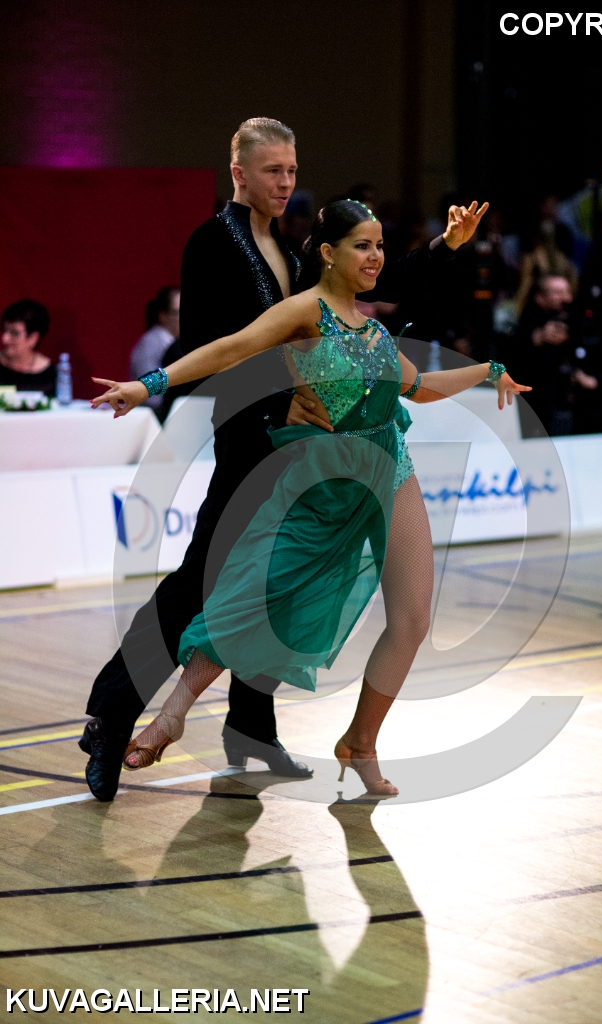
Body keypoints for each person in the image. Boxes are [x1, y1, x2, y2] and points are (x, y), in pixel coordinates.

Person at [80, 116, 488, 804]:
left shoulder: (297, 248)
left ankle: (250, 727)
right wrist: (260, 390)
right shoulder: (213, 243)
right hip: (251, 438)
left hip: (305, 451)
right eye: (273, 171)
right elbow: (217, 346)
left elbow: (367, 286)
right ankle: (112, 717)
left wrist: (445, 247)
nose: (286, 182)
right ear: (239, 172)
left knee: (283, 584)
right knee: (202, 582)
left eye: (292, 170)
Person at [510, 273, 596, 436]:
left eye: (567, 292)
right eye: (557, 292)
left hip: (576, 409)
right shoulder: (524, 329)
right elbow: (510, 360)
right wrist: (537, 339)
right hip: (534, 410)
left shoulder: (579, 324)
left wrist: (588, 378)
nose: (565, 298)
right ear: (540, 298)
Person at [128, 287, 180, 414]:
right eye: (179, 312)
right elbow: (150, 395)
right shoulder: (151, 344)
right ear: (162, 315)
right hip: (156, 416)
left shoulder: (177, 343)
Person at [0, 299, 55, 396]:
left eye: (14, 333)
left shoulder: (49, 375)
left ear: (33, 338)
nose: (5, 339)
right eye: (4, 330)